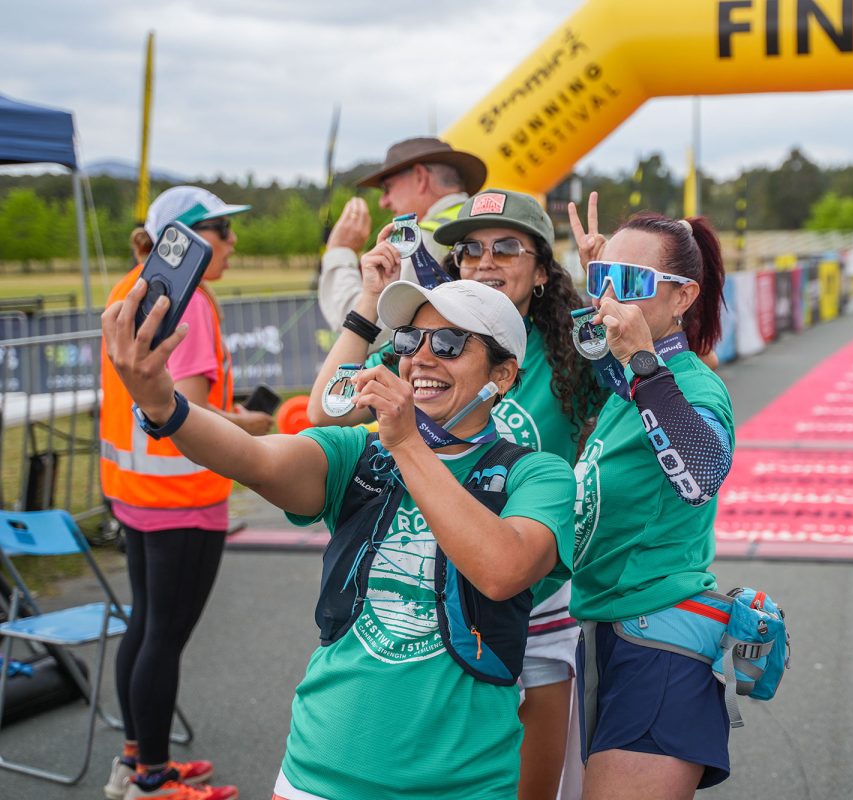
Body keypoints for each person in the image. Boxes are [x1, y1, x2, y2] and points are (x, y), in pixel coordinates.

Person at [104, 274, 577, 800]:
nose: (421, 358)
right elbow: (252, 459)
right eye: (407, 341)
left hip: (462, 785)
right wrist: (163, 406)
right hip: (317, 774)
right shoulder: (358, 453)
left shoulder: (539, 475)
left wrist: (406, 442)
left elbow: (501, 569)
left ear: (504, 374)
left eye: (448, 343)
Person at [308, 189, 606, 799]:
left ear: (544, 271)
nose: (483, 261)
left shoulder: (574, 355)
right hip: (438, 609)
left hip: (540, 606)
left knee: (532, 790)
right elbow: (324, 411)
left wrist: (614, 295)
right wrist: (368, 298)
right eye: (468, 249)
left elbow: (678, 372)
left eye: (506, 247)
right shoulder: (427, 343)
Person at [100, 187, 273, 800]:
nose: (231, 241)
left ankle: (136, 760)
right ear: (189, 240)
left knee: (144, 626)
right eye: (221, 230)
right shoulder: (189, 300)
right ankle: (153, 779)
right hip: (183, 495)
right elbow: (195, 412)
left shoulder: (133, 286)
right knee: (163, 637)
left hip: (135, 493)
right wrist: (257, 425)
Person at [566, 193, 736, 798]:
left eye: (630, 280)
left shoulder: (688, 384)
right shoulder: (626, 379)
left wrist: (641, 359)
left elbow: (700, 476)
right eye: (601, 278)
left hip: (660, 641)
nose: (610, 294)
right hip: (606, 633)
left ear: (682, 297)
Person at [318, 137, 487, 342]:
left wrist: (340, 251)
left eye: (387, 188)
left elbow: (375, 331)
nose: (383, 202)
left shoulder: (422, 241)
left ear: (421, 177)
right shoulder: (485, 222)